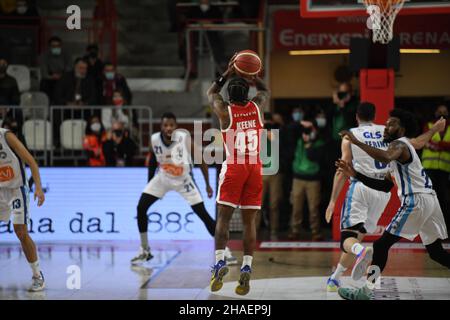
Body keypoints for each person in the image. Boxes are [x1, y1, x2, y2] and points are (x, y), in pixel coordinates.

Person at [324, 103, 445, 292]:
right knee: (437, 253)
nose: (386, 128)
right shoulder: (399, 148)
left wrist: (355, 141)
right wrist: (354, 174)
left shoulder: (398, 145)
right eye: (386, 124)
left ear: (402, 129)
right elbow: (383, 185)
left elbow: (385, 158)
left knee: (380, 246)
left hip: (416, 200)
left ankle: (367, 289)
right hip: (430, 201)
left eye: (391, 125)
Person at [130, 112, 236, 265]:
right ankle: (145, 250)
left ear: (176, 126)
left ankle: (224, 251)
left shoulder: (184, 139)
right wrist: (149, 183)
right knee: (141, 208)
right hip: (163, 178)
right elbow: (153, 160)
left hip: (184, 179)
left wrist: (207, 184)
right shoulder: (154, 139)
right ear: (161, 126)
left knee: (203, 215)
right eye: (165, 125)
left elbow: (200, 161)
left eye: (171, 125)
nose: (168, 128)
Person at [207, 54, 270, 295]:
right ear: (248, 94)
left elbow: (211, 93)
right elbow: (265, 91)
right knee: (249, 222)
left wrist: (229, 71)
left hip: (234, 166)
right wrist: (254, 76)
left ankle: (220, 261)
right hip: (255, 167)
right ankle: (246, 266)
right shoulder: (257, 106)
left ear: (229, 97)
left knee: (223, 219)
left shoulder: (225, 112)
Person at [0, 126, 46, 291]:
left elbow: (31, 161)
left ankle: (37, 275)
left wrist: (38, 188)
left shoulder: (6, 136)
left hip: (16, 189)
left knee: (20, 231)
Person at [288, 118, 326, 241]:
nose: (308, 131)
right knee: (296, 207)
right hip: (298, 178)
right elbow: (288, 130)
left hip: (313, 179)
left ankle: (316, 232)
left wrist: (309, 143)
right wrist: (300, 123)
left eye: (311, 129)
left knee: (313, 208)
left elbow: (313, 157)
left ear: (315, 129)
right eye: (307, 129)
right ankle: (295, 231)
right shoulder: (297, 139)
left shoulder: (320, 142)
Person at [421, 104, 450, 231]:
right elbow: (424, 141)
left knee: (444, 198)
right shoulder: (428, 126)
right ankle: (429, 228)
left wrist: (438, 144)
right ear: (435, 113)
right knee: (429, 198)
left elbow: (433, 144)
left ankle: (445, 228)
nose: (442, 113)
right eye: (439, 111)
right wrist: (442, 145)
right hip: (429, 168)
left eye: (444, 111)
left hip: (444, 169)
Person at [39, 36, 72, 104]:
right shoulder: (44, 56)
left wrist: (61, 75)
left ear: (61, 46)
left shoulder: (66, 55)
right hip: (49, 80)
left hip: (63, 78)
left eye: (58, 46)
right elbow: (44, 72)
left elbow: (69, 68)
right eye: (53, 46)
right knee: (44, 83)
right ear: (49, 47)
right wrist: (52, 76)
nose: (56, 47)